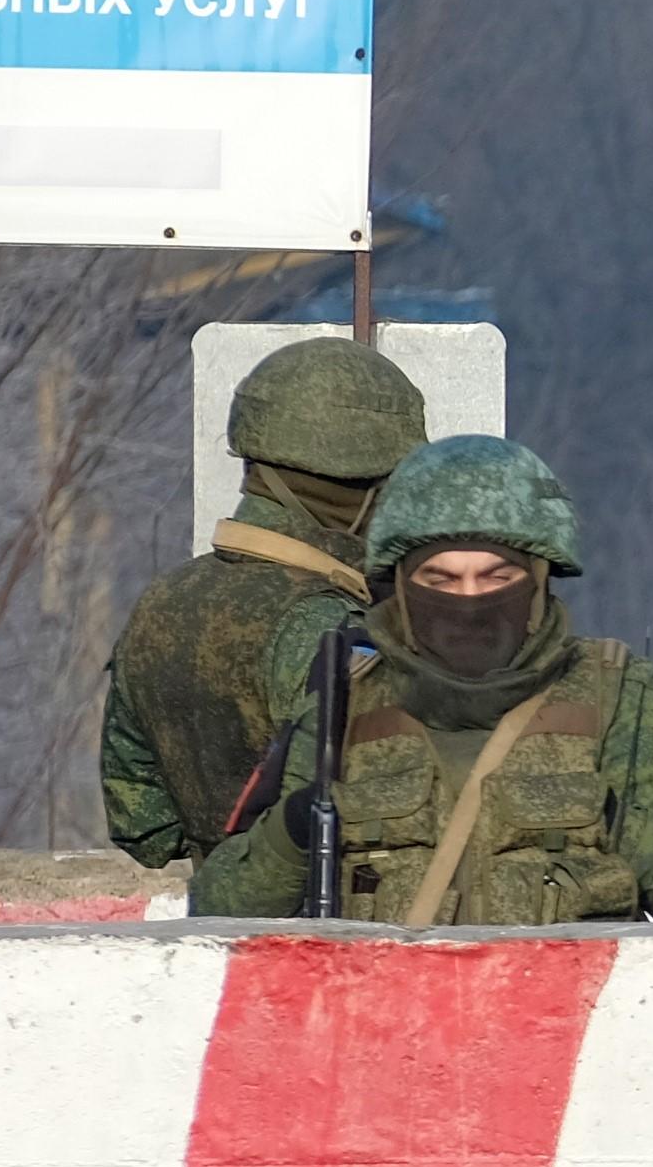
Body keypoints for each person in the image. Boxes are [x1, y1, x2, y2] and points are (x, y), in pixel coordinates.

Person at [188, 434, 653, 928]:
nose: (470, 601)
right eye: (441, 579)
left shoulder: (625, 701)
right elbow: (216, 911)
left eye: (496, 575)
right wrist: (295, 831)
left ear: (538, 579)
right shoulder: (346, 708)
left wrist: (619, 823)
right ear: (400, 586)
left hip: (569, 1059)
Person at [101, 334, 432, 866]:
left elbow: (144, 827)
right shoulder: (334, 627)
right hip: (331, 936)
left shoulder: (161, 604)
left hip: (216, 928)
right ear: (366, 486)